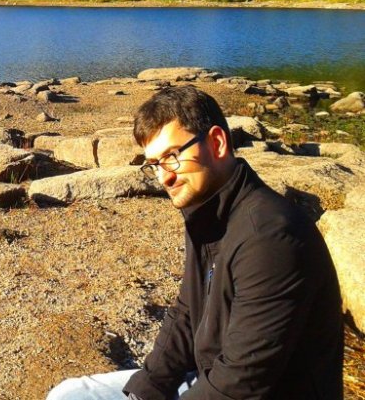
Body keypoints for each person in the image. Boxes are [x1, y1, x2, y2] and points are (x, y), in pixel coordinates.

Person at [47, 85, 343, 400]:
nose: (164, 177)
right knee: (70, 394)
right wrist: (147, 389)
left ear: (217, 143)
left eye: (172, 157)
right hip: (212, 376)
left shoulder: (271, 238)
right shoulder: (208, 213)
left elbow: (240, 383)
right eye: (154, 164)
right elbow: (186, 313)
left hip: (258, 392)